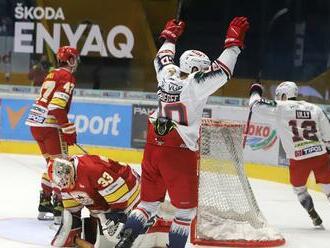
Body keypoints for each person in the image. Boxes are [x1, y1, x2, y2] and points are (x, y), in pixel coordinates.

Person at [116, 16, 249, 248]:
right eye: (203, 67)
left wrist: (169, 37)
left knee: (148, 206)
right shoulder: (195, 85)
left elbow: (162, 57)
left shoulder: (166, 74)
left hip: (153, 148)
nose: (206, 70)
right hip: (179, 152)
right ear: (196, 69)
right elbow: (224, 70)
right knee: (185, 211)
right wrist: (233, 44)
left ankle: (125, 240)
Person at [249, 81, 330, 227]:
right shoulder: (315, 108)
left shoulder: (280, 107)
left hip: (298, 160)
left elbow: (255, 105)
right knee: (328, 187)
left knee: (300, 190)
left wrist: (255, 90)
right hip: (320, 155)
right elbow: (328, 134)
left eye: (279, 95)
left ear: (285, 95)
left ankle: (313, 214)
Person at [25, 46, 79, 224]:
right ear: (71, 60)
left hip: (35, 123)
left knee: (51, 164)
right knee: (62, 166)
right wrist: (67, 128)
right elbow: (56, 106)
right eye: (75, 59)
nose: (76, 62)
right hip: (50, 126)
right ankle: (59, 209)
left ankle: (45, 204)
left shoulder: (51, 74)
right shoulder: (67, 76)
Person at [47, 154, 141, 247]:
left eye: (68, 179)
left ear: (69, 168)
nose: (69, 184)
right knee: (99, 219)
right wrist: (71, 229)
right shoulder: (64, 183)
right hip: (108, 196)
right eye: (63, 182)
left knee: (113, 233)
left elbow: (120, 194)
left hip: (129, 189)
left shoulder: (92, 169)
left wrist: (116, 217)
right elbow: (72, 211)